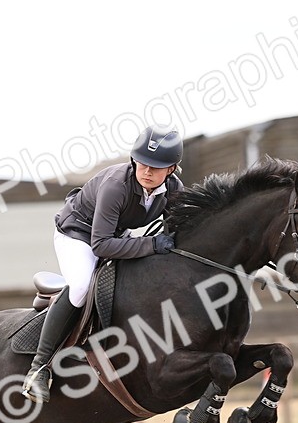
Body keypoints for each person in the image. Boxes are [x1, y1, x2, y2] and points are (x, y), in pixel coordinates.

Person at [22, 125, 184, 403]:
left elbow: (181, 228)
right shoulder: (115, 186)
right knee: (82, 287)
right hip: (78, 234)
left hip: (114, 235)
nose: (147, 171)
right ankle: (38, 369)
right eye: (143, 163)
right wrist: (152, 245)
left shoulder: (173, 190)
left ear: (171, 169)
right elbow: (101, 245)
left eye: (156, 167)